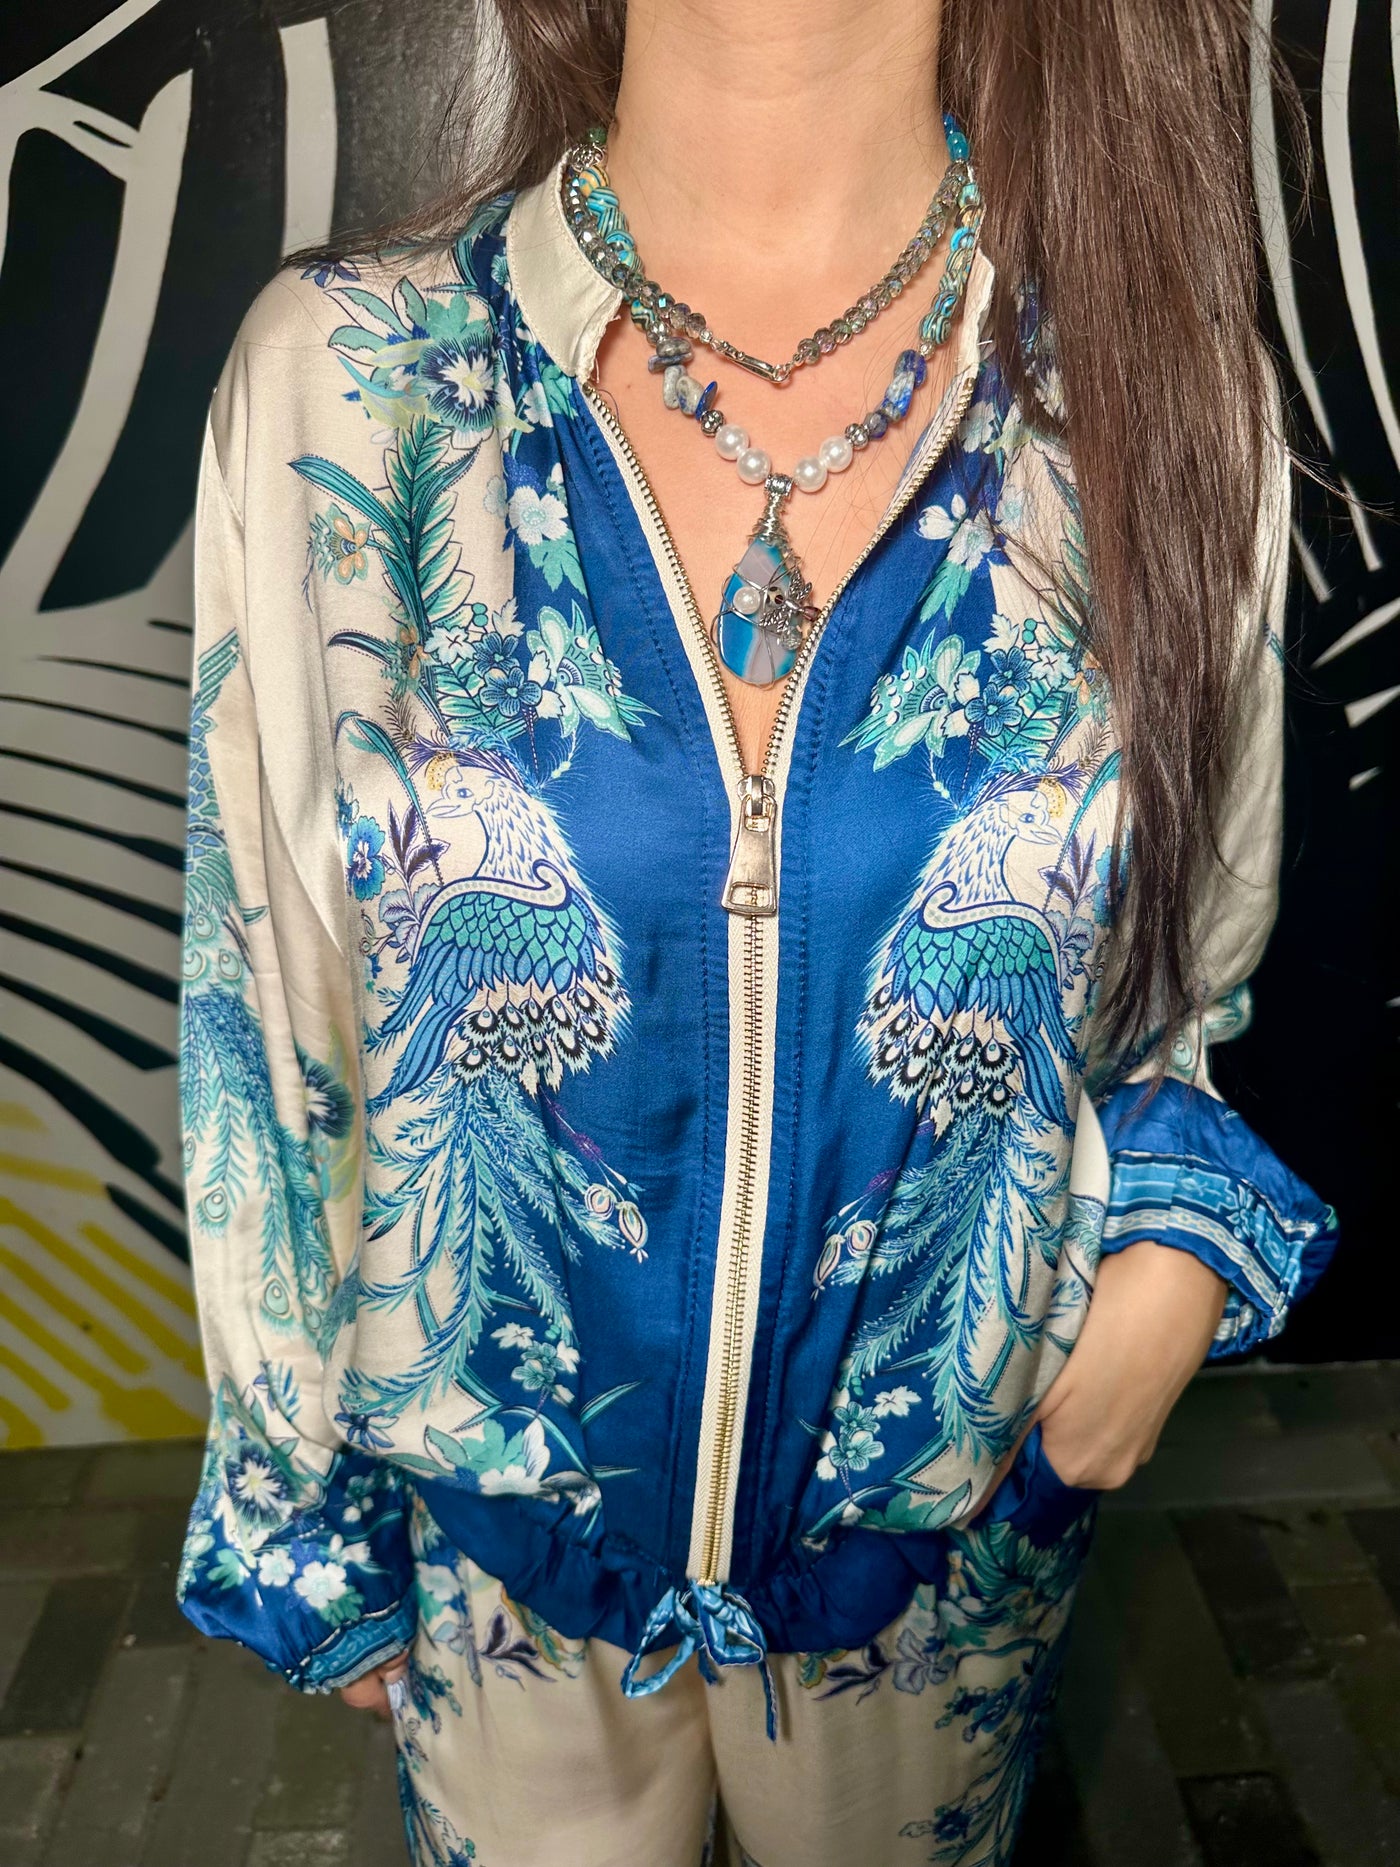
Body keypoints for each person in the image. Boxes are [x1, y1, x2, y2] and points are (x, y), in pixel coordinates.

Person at [175, 1, 1338, 1861]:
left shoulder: (1164, 393)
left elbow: (1181, 970)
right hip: (501, 1562)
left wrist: (1163, 1273)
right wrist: (300, 1499)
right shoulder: (351, 379)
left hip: (944, 1559)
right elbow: (273, 1004)